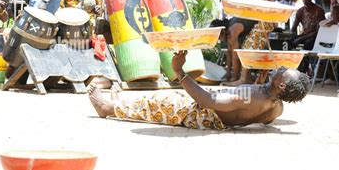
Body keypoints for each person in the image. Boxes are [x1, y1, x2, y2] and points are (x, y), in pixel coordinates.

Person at [88, 51, 310, 129]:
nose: (281, 67)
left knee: (159, 101)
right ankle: (120, 102)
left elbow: (207, 101)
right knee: (162, 99)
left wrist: (179, 71)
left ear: (281, 85)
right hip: (219, 120)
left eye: (284, 71)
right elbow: (265, 120)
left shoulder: (250, 95)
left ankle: (108, 108)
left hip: (202, 115)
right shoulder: (277, 109)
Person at [210, 17, 257, 82]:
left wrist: (234, 77)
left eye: (219, 37)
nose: (219, 40)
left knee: (239, 53)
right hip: (251, 29)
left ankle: (241, 78)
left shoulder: (233, 30)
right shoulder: (228, 31)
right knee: (232, 51)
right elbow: (229, 52)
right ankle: (241, 76)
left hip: (259, 25)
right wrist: (228, 72)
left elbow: (235, 57)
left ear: (223, 31)